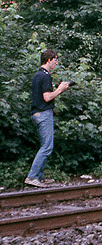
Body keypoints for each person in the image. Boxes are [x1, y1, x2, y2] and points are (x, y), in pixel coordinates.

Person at [25, 49, 70, 188]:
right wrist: (60, 89)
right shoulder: (45, 76)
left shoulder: (38, 75)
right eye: (55, 59)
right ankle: (32, 177)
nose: (57, 62)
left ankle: (40, 177)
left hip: (39, 113)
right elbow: (47, 97)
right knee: (47, 147)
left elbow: (41, 98)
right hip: (43, 114)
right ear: (48, 60)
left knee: (45, 145)